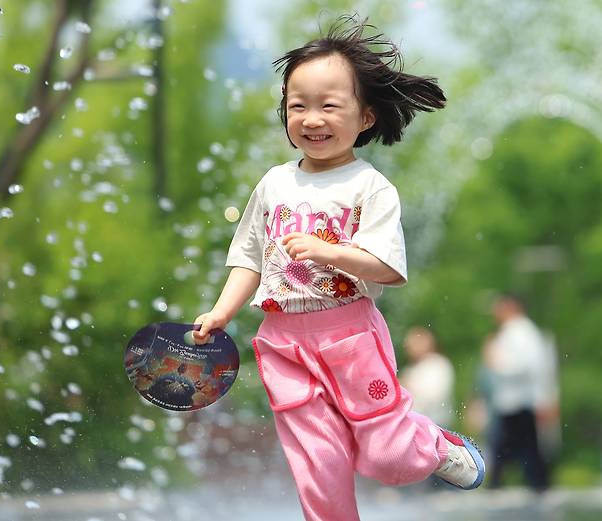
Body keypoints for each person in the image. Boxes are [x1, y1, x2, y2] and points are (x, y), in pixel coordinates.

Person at [192, 15, 485, 520]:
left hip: (349, 335)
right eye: (297, 106)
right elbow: (249, 259)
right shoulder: (273, 184)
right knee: (319, 467)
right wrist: (220, 312)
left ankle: (435, 445)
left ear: (366, 116)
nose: (312, 118)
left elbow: (387, 268)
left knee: (388, 457)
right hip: (284, 342)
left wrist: (328, 252)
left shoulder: (370, 188)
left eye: (329, 105)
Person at [482, 293, 552, 492]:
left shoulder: (522, 331)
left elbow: (526, 366)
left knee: (520, 447)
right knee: (518, 447)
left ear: (510, 307)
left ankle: (533, 485)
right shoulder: (511, 331)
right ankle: (534, 484)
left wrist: (496, 363)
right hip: (511, 401)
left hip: (519, 401)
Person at [399, 327, 455, 429]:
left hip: (436, 423)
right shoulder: (409, 369)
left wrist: (408, 385)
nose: (410, 346)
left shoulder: (438, 364)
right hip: (415, 424)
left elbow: (435, 395)